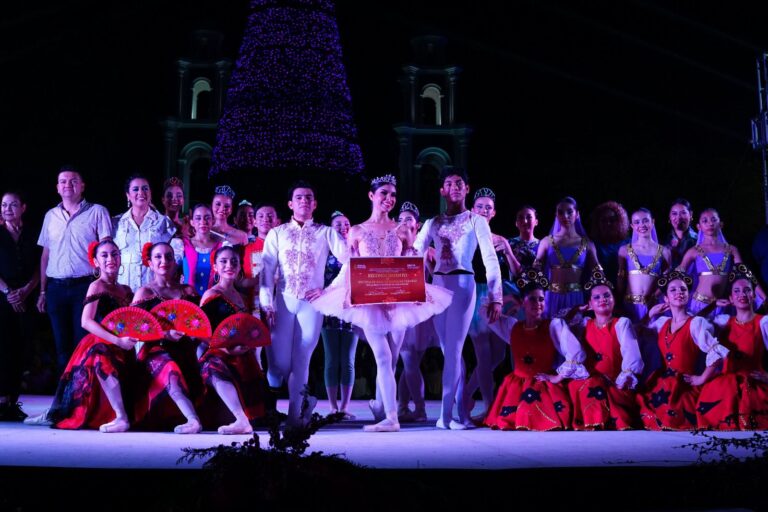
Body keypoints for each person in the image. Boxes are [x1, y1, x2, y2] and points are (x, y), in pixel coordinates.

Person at [313, 176, 452, 432]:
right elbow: (350, 267)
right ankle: (391, 417)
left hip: (399, 302)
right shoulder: (356, 230)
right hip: (370, 303)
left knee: (392, 357)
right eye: (384, 194)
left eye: (393, 195)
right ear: (371, 196)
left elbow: (411, 261)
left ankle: (382, 407)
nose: (389, 199)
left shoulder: (403, 229)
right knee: (383, 356)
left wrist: (414, 288)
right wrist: (328, 291)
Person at [413, 166, 502, 430]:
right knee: (449, 351)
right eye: (449, 183)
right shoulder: (432, 223)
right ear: (442, 190)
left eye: (459, 182)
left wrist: (495, 296)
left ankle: (445, 415)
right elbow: (413, 256)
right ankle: (460, 413)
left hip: (463, 284)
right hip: (438, 284)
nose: (454, 186)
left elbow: (489, 259)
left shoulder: (477, 221)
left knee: (453, 349)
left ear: (467, 189)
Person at [259, 181, 348, 427]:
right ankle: (306, 401)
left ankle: (294, 417)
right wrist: (267, 304)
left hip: (312, 304)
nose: (304, 201)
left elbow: (349, 261)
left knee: (302, 359)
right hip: (282, 302)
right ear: (290, 204)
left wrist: (328, 290)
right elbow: (267, 270)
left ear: (315, 204)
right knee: (279, 364)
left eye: (309, 197)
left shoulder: (326, 232)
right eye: (299, 197)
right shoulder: (277, 233)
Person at [25, 240, 137, 432]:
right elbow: (86, 321)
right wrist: (117, 340)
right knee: (101, 358)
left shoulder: (125, 289)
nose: (110, 259)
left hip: (122, 344)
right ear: (95, 262)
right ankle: (121, 417)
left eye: (114, 254)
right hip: (101, 342)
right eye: (104, 255)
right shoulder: (96, 285)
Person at [484, 268, 588, 430]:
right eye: (532, 299)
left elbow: (576, 353)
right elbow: (484, 311)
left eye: (541, 299)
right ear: (523, 302)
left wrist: (558, 377)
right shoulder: (513, 327)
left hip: (543, 384)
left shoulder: (553, 325)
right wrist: (509, 298)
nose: (538, 304)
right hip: (516, 387)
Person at [36, 165, 113, 375]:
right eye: (63, 181)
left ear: (82, 186)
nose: (67, 185)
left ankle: (84, 399)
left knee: (84, 344)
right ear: (57, 188)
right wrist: (42, 291)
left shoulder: (97, 211)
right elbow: (45, 256)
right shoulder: (50, 216)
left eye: (73, 181)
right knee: (61, 348)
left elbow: (108, 251)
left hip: (85, 286)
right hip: (56, 288)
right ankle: (64, 400)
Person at [638, 270, 729, 430]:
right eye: (673, 290)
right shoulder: (662, 323)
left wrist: (701, 378)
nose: (679, 293)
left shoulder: (696, 323)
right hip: (662, 382)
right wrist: (650, 314)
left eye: (683, 289)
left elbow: (716, 352)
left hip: (683, 384)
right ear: (666, 298)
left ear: (688, 295)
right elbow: (637, 333)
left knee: (674, 414)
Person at [131, 241, 202, 433]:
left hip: (186, 351)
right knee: (168, 367)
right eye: (158, 257)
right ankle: (193, 420)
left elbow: (201, 324)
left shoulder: (188, 291)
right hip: (156, 350)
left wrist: (194, 336)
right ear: (150, 263)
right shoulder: (144, 292)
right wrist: (164, 334)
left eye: (169, 257)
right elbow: (134, 328)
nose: (164, 261)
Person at [463, 187, 520, 422]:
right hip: (475, 294)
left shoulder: (499, 240)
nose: (484, 210)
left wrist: (506, 248)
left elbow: (514, 274)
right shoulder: (467, 238)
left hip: (497, 295)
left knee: (498, 355)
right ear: (472, 210)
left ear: (494, 213)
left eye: (488, 207)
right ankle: (489, 407)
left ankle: (465, 395)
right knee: (484, 355)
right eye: (480, 207)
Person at [562, 270, 644, 430]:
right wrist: (578, 310)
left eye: (607, 295)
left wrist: (625, 377)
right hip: (590, 381)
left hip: (614, 383)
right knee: (579, 386)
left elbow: (631, 353)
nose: (603, 300)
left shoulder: (621, 324)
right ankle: (591, 420)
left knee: (596, 387)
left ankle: (600, 419)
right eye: (597, 298)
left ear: (613, 300)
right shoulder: (584, 324)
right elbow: (561, 326)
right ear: (590, 304)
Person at [200, 246, 268, 434]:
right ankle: (240, 419)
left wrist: (247, 347)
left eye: (234, 262)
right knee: (211, 367)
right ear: (215, 267)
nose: (229, 265)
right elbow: (202, 332)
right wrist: (227, 350)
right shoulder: (211, 294)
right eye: (223, 261)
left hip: (242, 353)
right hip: (220, 352)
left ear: (239, 267)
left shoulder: (240, 295)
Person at [697, 265, 768, 430]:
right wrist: (714, 305)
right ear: (730, 297)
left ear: (753, 295)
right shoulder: (723, 321)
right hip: (726, 384)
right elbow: (693, 324)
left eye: (747, 290)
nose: (742, 295)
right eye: (736, 291)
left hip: (754, 382)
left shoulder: (763, 322)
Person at [395, 201, 438, 422]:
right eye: (400, 219)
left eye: (408, 219)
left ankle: (413, 408)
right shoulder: (392, 246)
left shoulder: (425, 249)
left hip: (419, 309)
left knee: (411, 362)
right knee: (408, 361)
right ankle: (409, 407)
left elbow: (435, 275)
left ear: (418, 225)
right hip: (400, 307)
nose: (403, 222)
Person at [677, 208, 764, 316]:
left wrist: (763, 295)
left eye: (714, 220)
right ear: (699, 227)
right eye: (705, 221)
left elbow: (746, 274)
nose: (710, 224)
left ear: (721, 224)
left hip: (723, 305)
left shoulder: (731, 249)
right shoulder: (693, 251)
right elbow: (678, 274)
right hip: (699, 305)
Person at [0, 190, 40, 421]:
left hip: (27, 296)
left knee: (20, 346)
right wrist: (8, 292)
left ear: (23, 208)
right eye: (4, 205)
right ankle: (1, 400)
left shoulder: (32, 234)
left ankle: (13, 400)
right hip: (3, 296)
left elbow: (40, 266)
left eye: (13, 204)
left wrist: (26, 291)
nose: (7, 209)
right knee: (2, 346)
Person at [318, 210, 359, 419]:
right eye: (338, 225)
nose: (343, 228)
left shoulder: (357, 248)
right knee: (332, 358)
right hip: (331, 309)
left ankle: (345, 407)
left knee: (349, 358)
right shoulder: (326, 251)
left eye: (346, 224)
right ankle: (332, 407)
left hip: (353, 308)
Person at [534, 196, 600, 318]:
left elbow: (598, 275)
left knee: (574, 334)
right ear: (556, 215)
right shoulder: (546, 242)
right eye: (561, 212)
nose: (565, 216)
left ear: (577, 214)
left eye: (570, 211)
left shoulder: (588, 244)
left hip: (576, 298)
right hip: (551, 297)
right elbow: (535, 272)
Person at [112, 173, 176, 291]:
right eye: (135, 189)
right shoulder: (116, 223)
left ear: (150, 193)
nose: (141, 192)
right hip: (123, 288)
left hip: (153, 289)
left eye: (145, 188)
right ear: (128, 195)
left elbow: (172, 256)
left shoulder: (164, 223)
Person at [616, 208, 671, 323]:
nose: (642, 225)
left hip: (653, 305)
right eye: (637, 222)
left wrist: (655, 296)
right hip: (629, 305)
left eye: (645, 220)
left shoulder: (664, 251)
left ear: (653, 222)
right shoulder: (624, 250)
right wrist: (618, 301)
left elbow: (666, 279)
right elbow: (621, 279)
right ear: (632, 225)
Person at [174, 204, 223, 298]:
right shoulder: (182, 244)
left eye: (207, 218)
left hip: (213, 301)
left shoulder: (221, 246)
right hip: (188, 301)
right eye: (198, 218)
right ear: (192, 222)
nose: (203, 221)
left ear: (213, 221)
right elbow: (170, 272)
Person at [589, 200, 630, 286]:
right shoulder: (593, 245)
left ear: (620, 221)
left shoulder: (629, 243)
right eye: (603, 221)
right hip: (601, 291)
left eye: (612, 220)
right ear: (597, 223)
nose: (608, 223)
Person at [664, 198, 697, 270]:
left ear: (690, 214)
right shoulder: (663, 240)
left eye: (683, 213)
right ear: (669, 216)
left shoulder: (699, 240)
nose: (678, 217)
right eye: (674, 213)